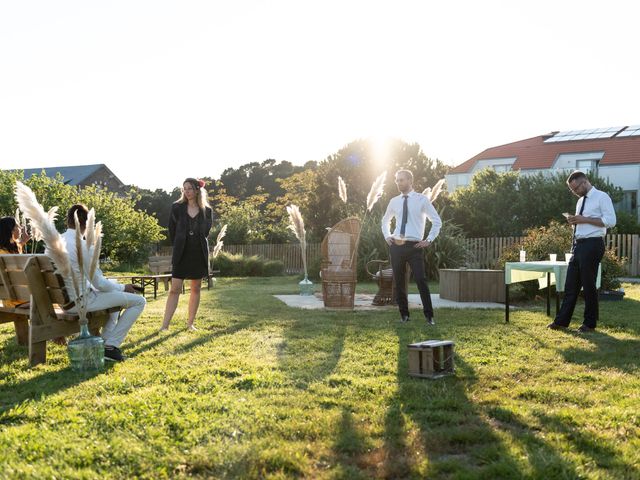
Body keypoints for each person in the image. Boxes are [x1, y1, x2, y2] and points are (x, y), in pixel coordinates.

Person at [52, 204, 146, 361]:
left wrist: (116, 287)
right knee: (139, 301)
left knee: (113, 291)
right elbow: (99, 284)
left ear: (68, 221)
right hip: (81, 302)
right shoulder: (82, 246)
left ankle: (105, 342)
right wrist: (124, 287)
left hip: (64, 301)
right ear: (87, 224)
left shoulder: (55, 242)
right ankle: (111, 346)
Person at [547, 171, 616, 333]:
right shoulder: (580, 202)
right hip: (578, 246)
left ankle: (589, 324)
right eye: (572, 190)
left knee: (588, 285)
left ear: (584, 182)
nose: (575, 192)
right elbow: (583, 224)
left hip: (593, 245)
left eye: (576, 188)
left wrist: (583, 219)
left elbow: (611, 221)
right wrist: (574, 221)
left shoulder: (602, 197)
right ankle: (562, 322)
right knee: (570, 285)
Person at [381, 169, 442, 324]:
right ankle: (404, 315)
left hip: (415, 246)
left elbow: (436, 221)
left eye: (401, 180)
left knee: (421, 280)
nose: (398, 182)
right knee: (399, 281)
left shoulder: (421, 200)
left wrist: (429, 239)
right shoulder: (394, 201)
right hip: (397, 245)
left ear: (410, 180)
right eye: (396, 180)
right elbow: (385, 220)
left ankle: (429, 317)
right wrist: (387, 235)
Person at [161, 178, 213, 331]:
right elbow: (172, 230)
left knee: (196, 288)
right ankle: (165, 326)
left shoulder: (207, 211)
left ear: (197, 190)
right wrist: (179, 243)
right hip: (181, 253)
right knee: (174, 289)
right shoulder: (177, 207)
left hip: (198, 253)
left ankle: (190, 324)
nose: (187, 191)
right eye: (184, 189)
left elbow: (206, 232)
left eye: (190, 188)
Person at [0, 216, 30, 308]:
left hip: (9, 300)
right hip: (20, 300)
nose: (20, 228)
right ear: (11, 231)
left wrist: (23, 242)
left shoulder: (5, 252)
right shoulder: (6, 254)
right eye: (17, 226)